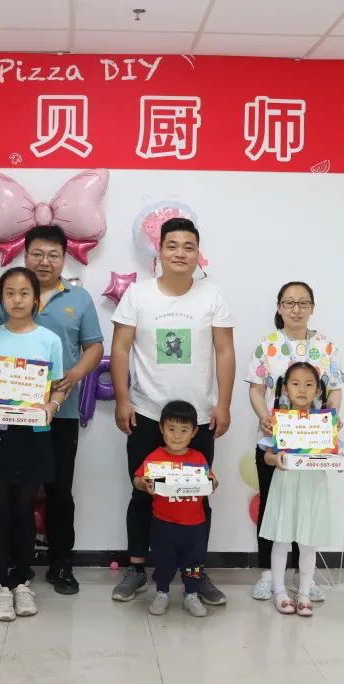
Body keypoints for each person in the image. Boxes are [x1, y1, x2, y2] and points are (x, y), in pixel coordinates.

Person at [109, 217, 236, 605]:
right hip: (147, 413)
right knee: (142, 493)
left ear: (198, 254)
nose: (180, 253)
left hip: (198, 419)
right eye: (172, 245)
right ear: (160, 251)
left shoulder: (212, 295)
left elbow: (225, 351)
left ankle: (195, 573)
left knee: (197, 497)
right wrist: (122, 400)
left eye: (188, 246)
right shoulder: (138, 295)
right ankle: (136, 569)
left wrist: (224, 404)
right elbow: (120, 348)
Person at [0, 225, 104, 594]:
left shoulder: (78, 298)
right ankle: (10, 566)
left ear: (64, 258)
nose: (45, 261)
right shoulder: (3, 293)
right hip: (9, 414)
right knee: (9, 492)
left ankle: (61, 564)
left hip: (59, 413)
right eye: (37, 253)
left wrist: (74, 375)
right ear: (25, 255)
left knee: (59, 490)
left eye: (53, 255)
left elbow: (94, 346)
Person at [0, 268, 67, 622]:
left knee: (25, 508)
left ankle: (23, 581)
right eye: (9, 293)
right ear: (1, 299)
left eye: (24, 293)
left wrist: (52, 406)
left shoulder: (49, 340)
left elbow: (58, 387)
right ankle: (2, 586)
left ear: (35, 300)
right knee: (1, 509)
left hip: (34, 433)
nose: (17, 299)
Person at [246, 281, 344, 603]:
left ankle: (305, 579)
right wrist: (265, 417)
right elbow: (256, 389)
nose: (296, 309)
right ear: (279, 307)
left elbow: (334, 389)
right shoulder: (267, 345)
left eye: (303, 303)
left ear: (312, 308)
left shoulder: (325, 347)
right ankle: (268, 574)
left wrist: (330, 420)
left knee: (306, 507)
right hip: (274, 441)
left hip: (311, 442)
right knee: (271, 506)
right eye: (289, 303)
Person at [260, 362, 334, 617]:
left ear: (318, 390)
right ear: (285, 389)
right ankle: (280, 591)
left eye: (309, 384)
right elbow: (268, 456)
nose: (302, 389)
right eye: (295, 383)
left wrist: (337, 460)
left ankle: (304, 593)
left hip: (312, 487)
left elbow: (332, 455)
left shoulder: (325, 423)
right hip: (286, 485)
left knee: (308, 541)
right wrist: (275, 459)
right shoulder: (278, 421)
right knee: (281, 539)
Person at [133, 400, 219, 618]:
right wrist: (143, 484)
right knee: (163, 561)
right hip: (163, 524)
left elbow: (211, 481)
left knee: (195, 562)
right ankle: (162, 592)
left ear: (194, 432)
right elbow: (137, 479)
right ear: (161, 428)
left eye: (184, 430)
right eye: (171, 429)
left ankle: (192, 594)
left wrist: (212, 483)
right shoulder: (155, 458)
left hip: (195, 526)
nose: (177, 436)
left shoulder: (198, 458)